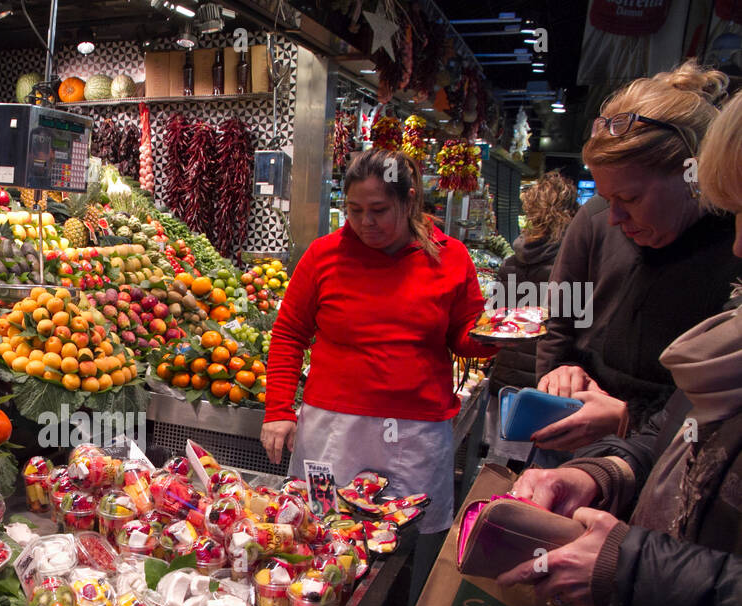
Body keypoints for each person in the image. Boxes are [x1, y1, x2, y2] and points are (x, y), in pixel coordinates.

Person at [494, 88, 742, 606]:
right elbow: (688, 426)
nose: (739, 248)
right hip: (646, 547)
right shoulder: (598, 229)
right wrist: (603, 469)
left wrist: (627, 564)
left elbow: (677, 416)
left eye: (632, 196)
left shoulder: (717, 253)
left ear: (694, 181)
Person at [260, 149, 497, 537]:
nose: (365, 222)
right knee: (319, 530)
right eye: (354, 210)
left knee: (403, 544)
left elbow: (463, 335)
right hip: (332, 431)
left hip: (415, 434)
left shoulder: (449, 258)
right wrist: (279, 409)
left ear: (409, 201)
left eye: (379, 209)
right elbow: (289, 333)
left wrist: (493, 338)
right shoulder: (323, 256)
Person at [530, 60, 740, 453]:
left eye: (630, 198)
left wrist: (626, 419)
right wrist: (558, 377)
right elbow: (560, 321)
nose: (615, 217)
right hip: (574, 432)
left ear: (693, 175)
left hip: (668, 451)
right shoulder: (594, 219)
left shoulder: (732, 246)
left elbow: (719, 402)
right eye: (607, 199)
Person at [489, 171, 579, 394]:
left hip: (505, 383)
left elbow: (493, 322)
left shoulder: (509, 263)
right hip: (549, 389)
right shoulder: (575, 267)